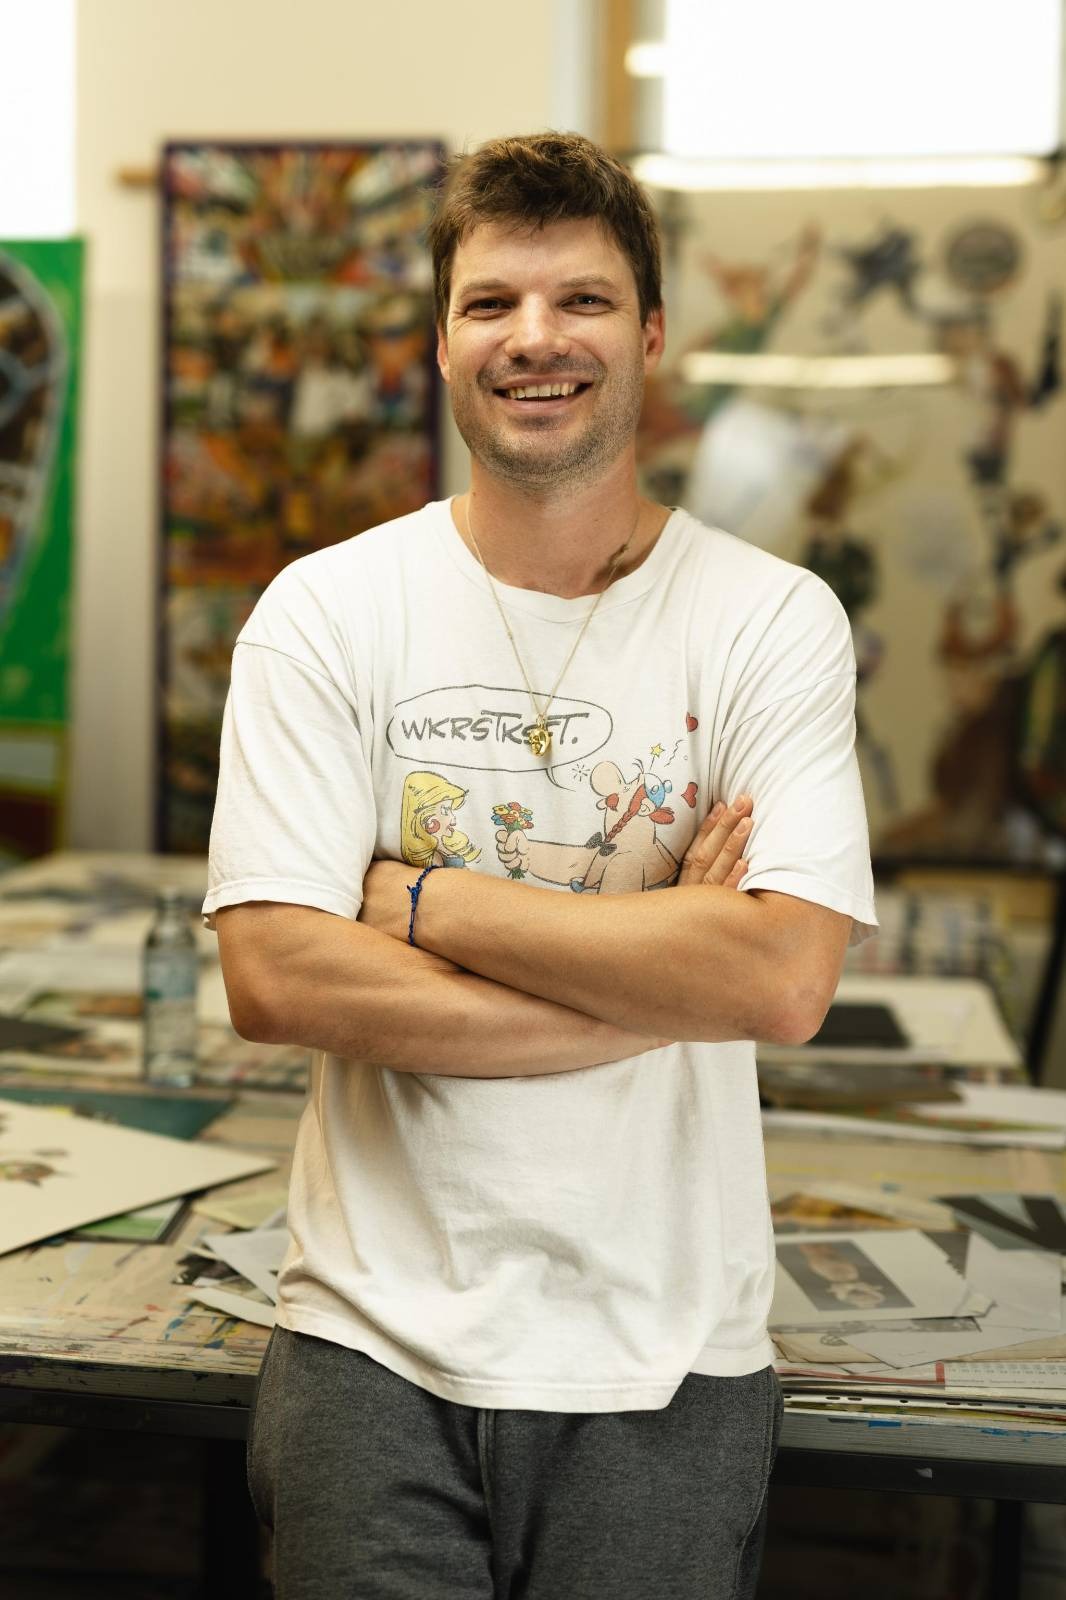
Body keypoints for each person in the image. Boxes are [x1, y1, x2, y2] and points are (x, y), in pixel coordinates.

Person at [204, 131, 878, 1600]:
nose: (533, 339)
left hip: (666, 1350)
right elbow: (273, 973)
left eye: (577, 299)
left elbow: (775, 979)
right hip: (368, 1339)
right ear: (440, 343)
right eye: (490, 302)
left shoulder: (767, 621)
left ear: (647, 335)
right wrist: (665, 963)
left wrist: (419, 900)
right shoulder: (326, 615)